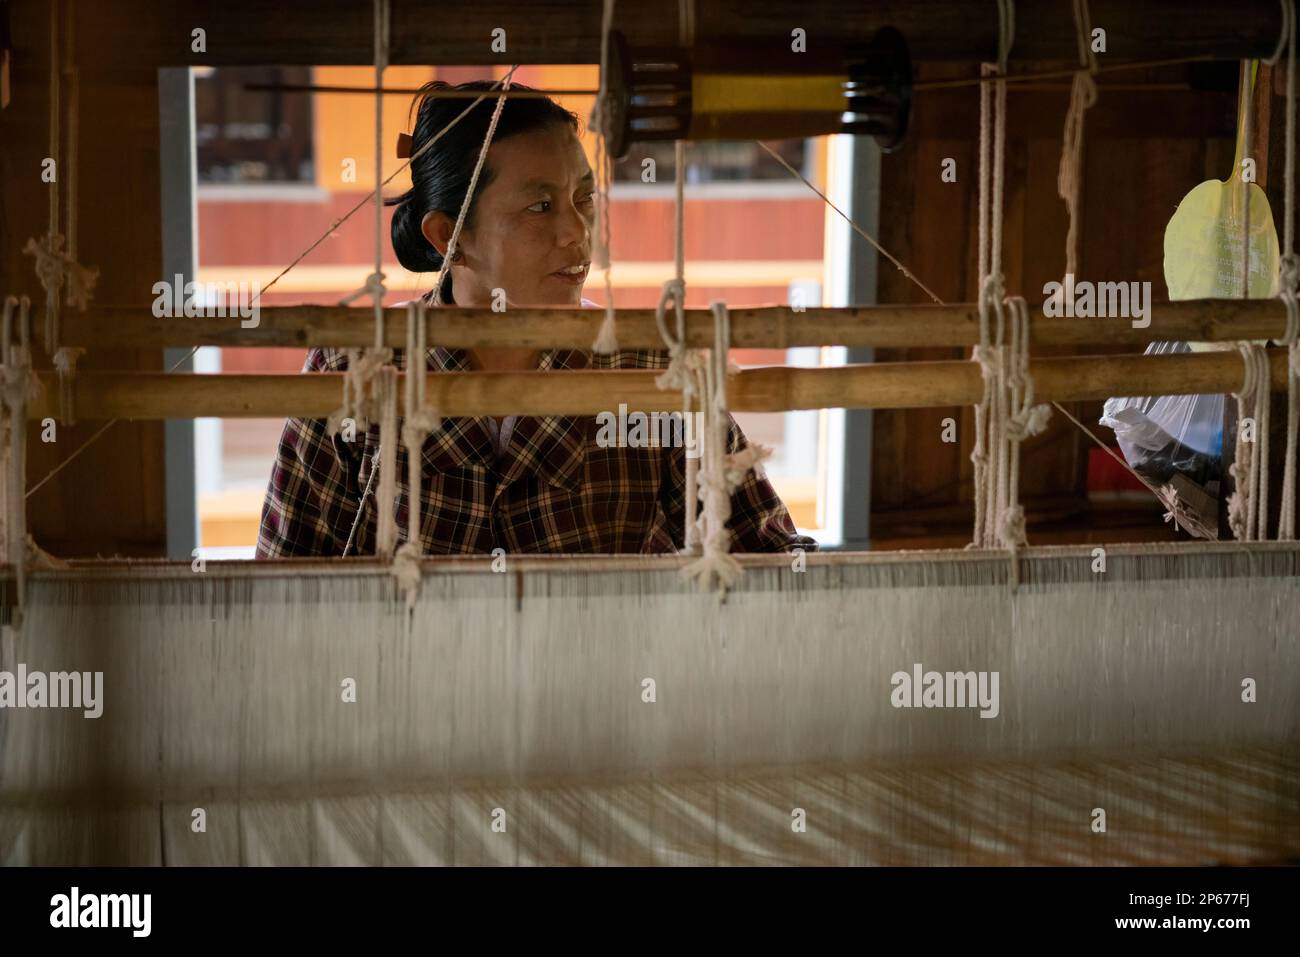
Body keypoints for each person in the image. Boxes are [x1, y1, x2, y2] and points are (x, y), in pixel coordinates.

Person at [256, 80, 816, 558]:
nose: (577, 232)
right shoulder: (354, 370)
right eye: (540, 207)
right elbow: (285, 589)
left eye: (584, 197)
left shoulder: (654, 371)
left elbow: (765, 554)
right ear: (448, 235)